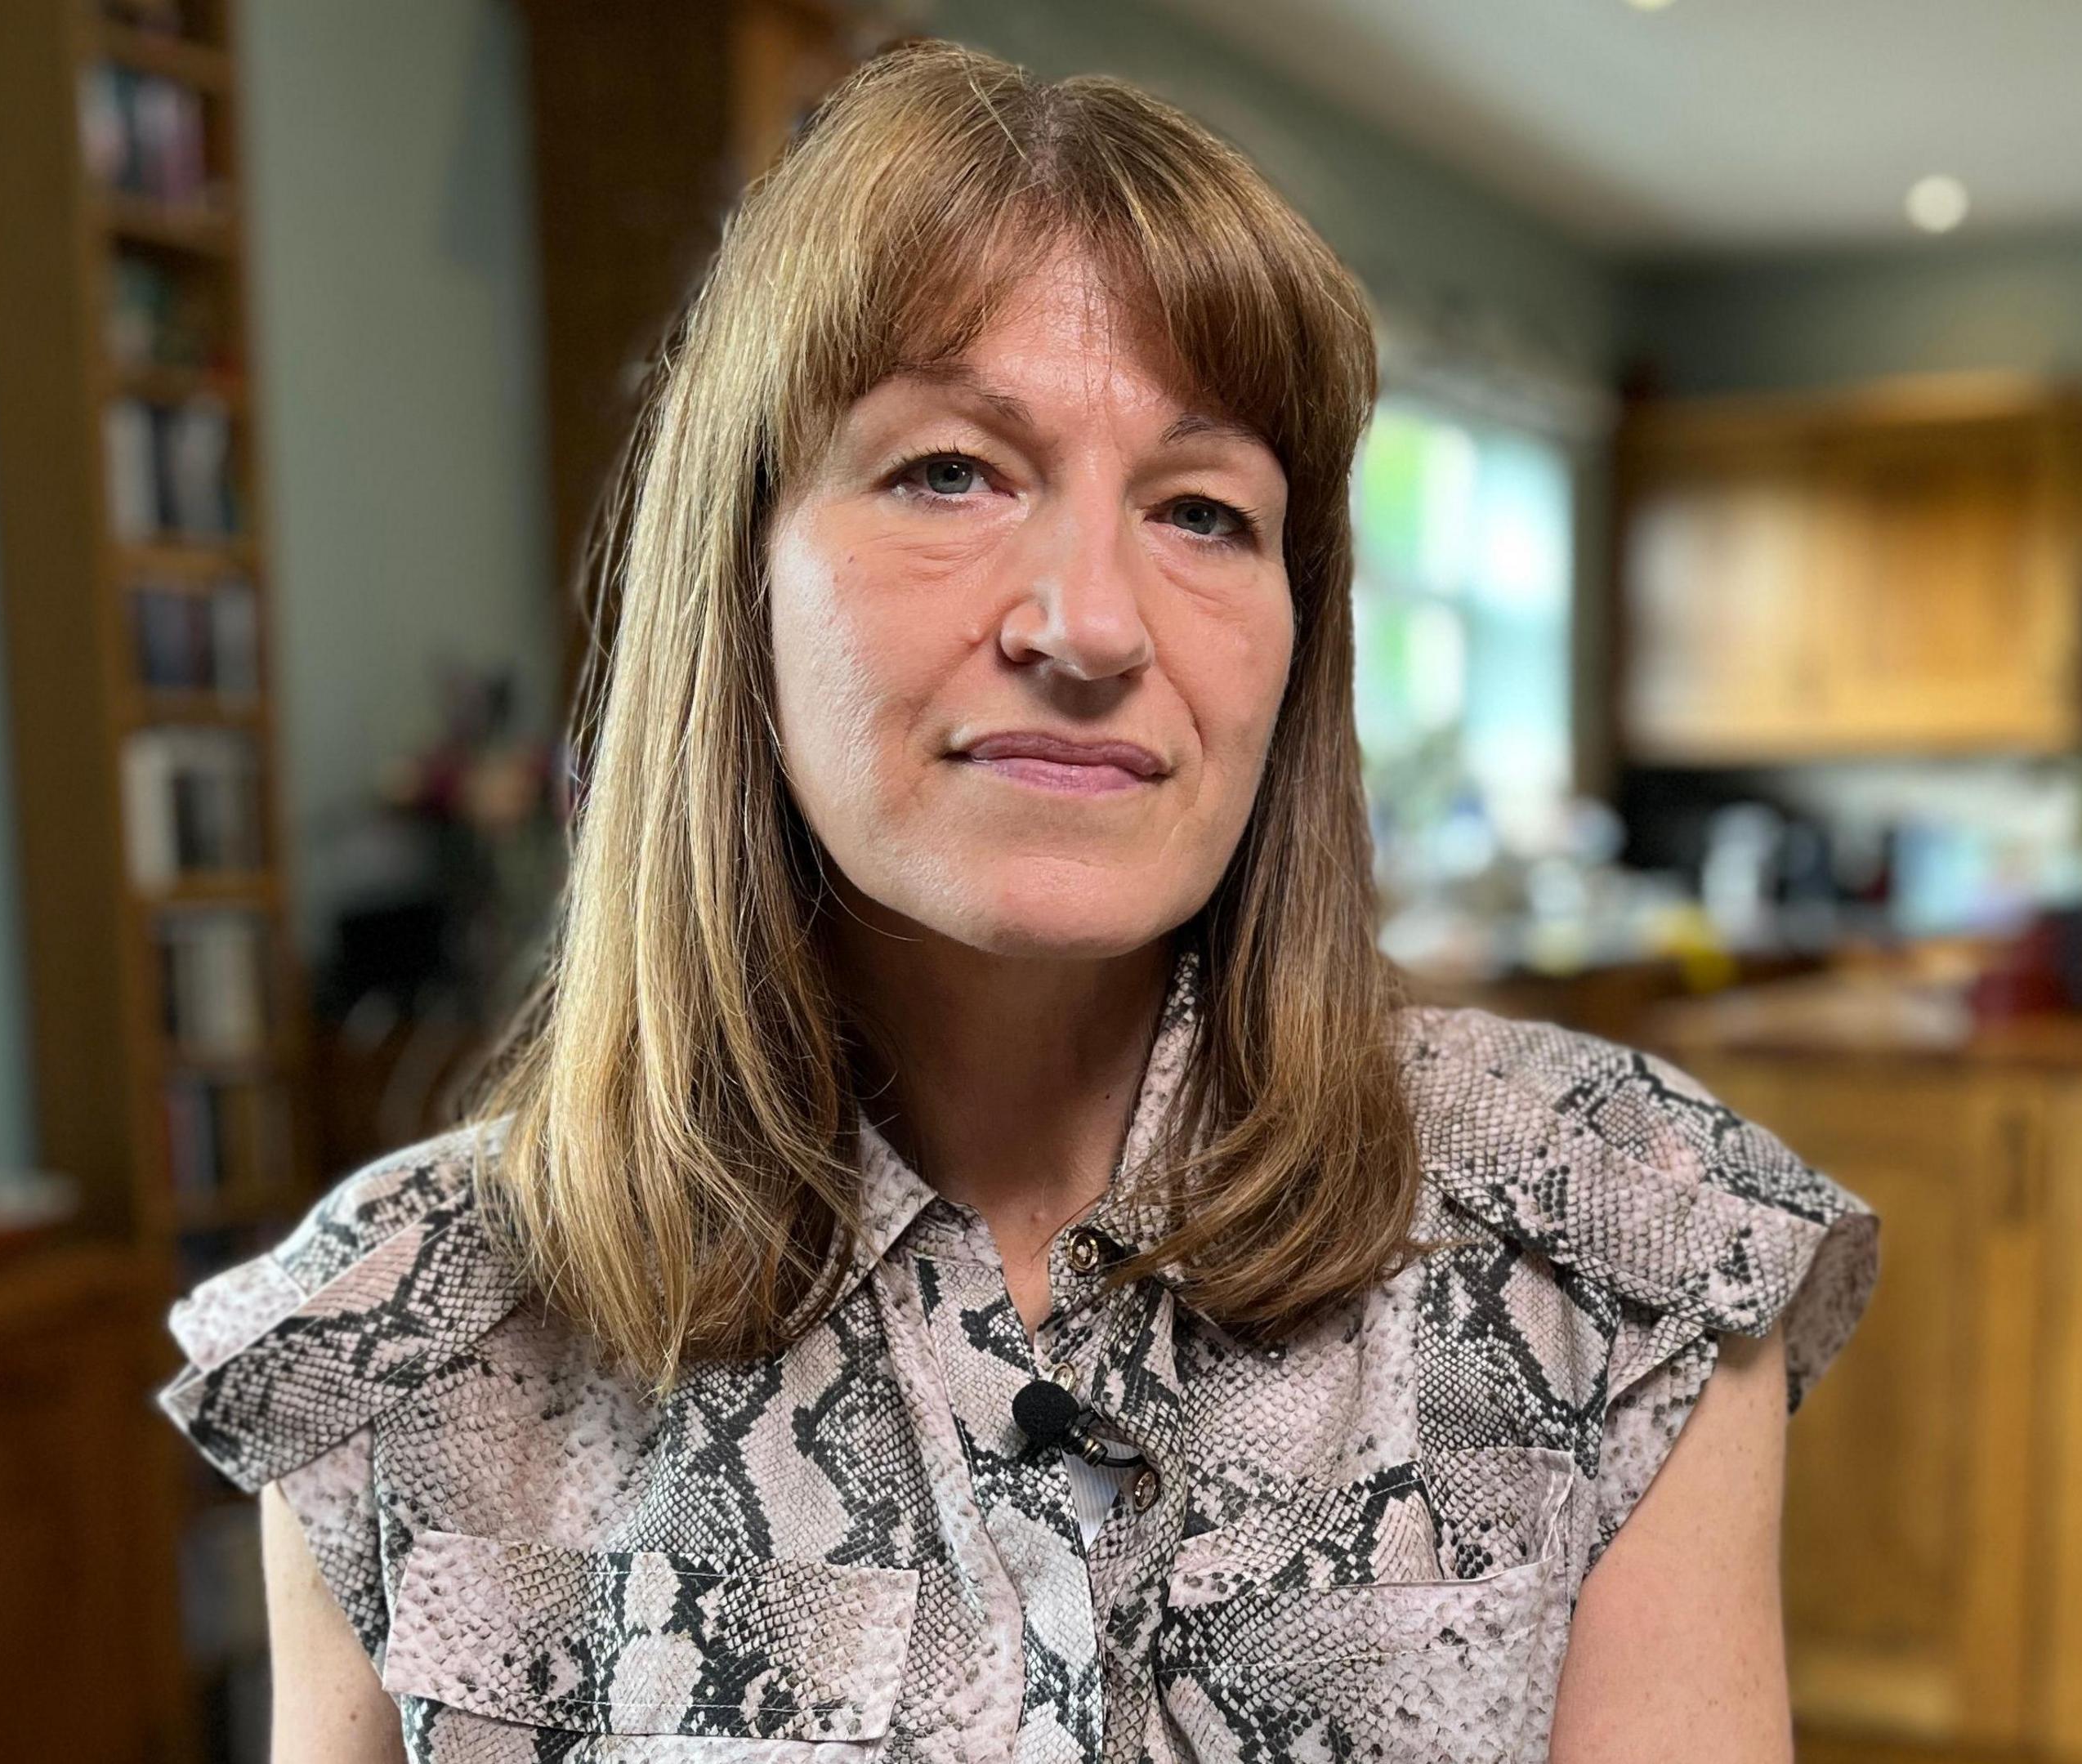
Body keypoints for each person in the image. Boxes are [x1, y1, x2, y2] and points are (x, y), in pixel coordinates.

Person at [158, 38, 1874, 1764]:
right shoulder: (404, 1346)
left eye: (1203, 511)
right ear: (734, 579)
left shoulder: (1615, 1252)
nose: (1090, 624)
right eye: (949, 473)